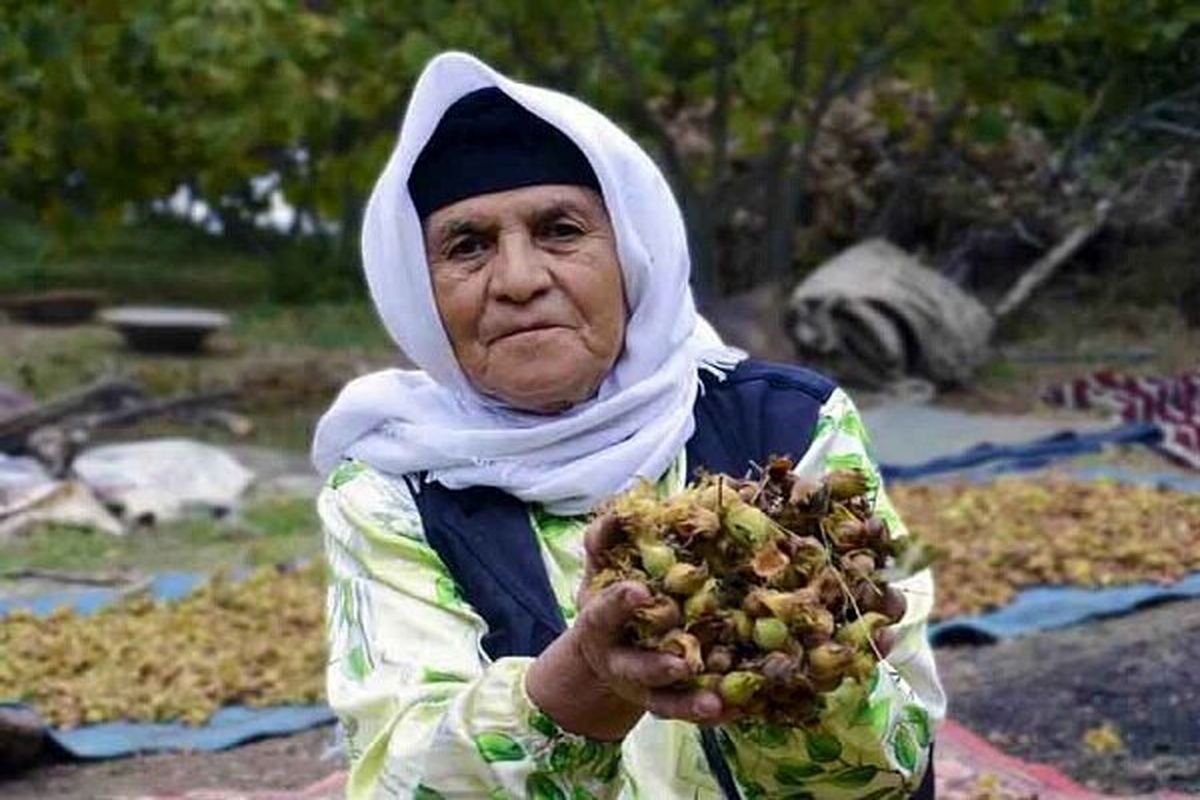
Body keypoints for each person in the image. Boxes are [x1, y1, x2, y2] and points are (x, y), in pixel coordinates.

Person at [313, 51, 945, 800]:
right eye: (468, 245)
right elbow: (403, 779)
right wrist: (576, 688)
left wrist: (803, 667)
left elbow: (895, 764)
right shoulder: (390, 490)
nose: (518, 280)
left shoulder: (788, 424)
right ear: (417, 288)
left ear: (633, 253)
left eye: (559, 230)